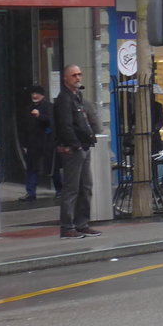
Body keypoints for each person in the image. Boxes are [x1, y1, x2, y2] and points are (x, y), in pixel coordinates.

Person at [53, 65, 102, 239]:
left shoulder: (77, 96)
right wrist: (76, 145)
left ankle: (82, 224)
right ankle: (67, 227)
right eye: (74, 75)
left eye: (79, 74)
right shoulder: (64, 99)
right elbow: (65, 126)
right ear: (66, 78)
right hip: (73, 149)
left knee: (86, 187)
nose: (78, 77)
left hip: (83, 147)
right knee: (72, 189)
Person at [19, 84, 60, 202]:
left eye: (37, 93)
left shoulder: (49, 107)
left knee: (53, 167)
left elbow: (51, 123)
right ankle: (30, 192)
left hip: (47, 142)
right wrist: (24, 143)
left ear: (42, 95)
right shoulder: (29, 108)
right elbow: (25, 126)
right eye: (33, 93)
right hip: (33, 143)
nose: (35, 96)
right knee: (32, 167)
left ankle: (59, 189)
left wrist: (40, 116)